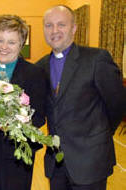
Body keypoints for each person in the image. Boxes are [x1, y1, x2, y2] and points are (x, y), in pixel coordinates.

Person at [36, 5, 126, 190]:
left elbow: (118, 104)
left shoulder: (96, 59)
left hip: (90, 161)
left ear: (74, 28)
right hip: (57, 164)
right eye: (49, 25)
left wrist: (96, 135)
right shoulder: (39, 67)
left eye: (61, 24)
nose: (54, 31)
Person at [0, 15, 47, 190]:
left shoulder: (34, 73)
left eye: (11, 42)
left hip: (18, 153)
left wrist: (13, 125)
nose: (4, 47)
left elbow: (39, 117)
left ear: (22, 43)